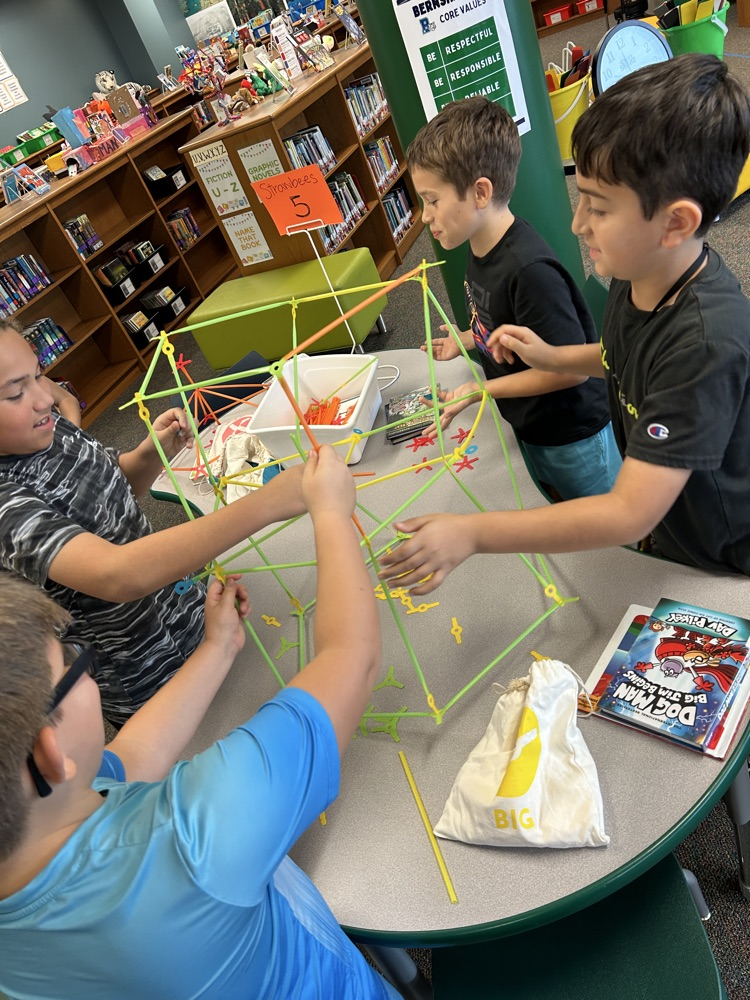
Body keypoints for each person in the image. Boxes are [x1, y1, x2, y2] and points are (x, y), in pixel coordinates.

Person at [0, 446, 398, 1000]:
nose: (78, 661)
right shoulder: (194, 839)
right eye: (71, 662)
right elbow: (351, 659)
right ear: (47, 750)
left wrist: (215, 650)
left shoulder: (44, 812)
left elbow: (127, 761)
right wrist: (329, 511)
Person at [380, 54, 750, 595]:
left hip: (718, 557)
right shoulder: (635, 273)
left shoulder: (705, 342)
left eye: (598, 208)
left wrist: (473, 533)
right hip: (671, 527)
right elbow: (619, 356)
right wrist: (554, 357)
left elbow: (627, 512)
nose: (577, 223)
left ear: (675, 223)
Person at [0, 319, 306, 725]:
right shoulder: (6, 500)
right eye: (16, 392)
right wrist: (267, 504)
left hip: (186, 610)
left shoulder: (51, 430)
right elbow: (116, 574)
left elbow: (113, 485)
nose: (44, 398)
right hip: (142, 673)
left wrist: (150, 452)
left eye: (39, 375)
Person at [406, 95, 621, 501]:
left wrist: (480, 391)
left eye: (432, 200)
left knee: (604, 543)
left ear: (480, 192)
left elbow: (570, 371)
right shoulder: (479, 246)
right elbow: (503, 326)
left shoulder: (528, 271)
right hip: (532, 427)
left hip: (573, 436)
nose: (424, 215)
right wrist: (467, 340)